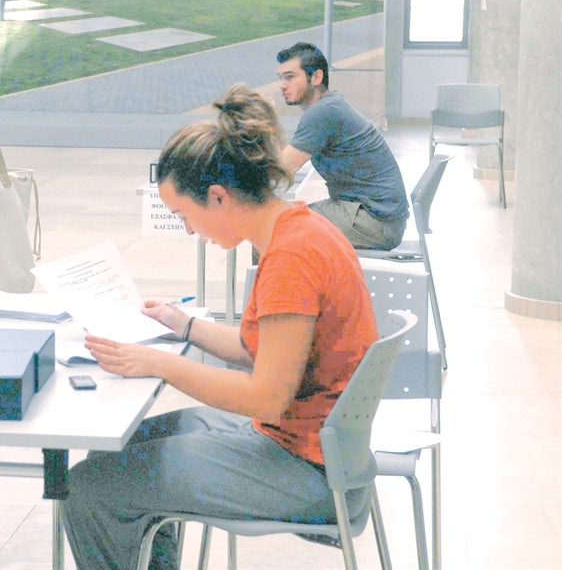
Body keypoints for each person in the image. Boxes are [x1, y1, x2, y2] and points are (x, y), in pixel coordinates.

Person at [62, 84, 380, 570]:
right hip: (310, 446)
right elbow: (264, 351)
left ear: (218, 196)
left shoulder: (292, 259)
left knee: (89, 487)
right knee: (125, 447)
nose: (190, 230)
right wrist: (183, 325)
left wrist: (160, 363)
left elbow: (266, 396)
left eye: (186, 216)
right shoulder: (299, 229)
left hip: (308, 468)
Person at [276, 41, 409, 250]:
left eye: (290, 77)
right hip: (376, 216)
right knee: (281, 220)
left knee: (273, 224)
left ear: (316, 77)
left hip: (375, 222)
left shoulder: (322, 112)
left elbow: (280, 170)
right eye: (281, 78)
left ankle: (267, 273)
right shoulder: (331, 105)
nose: (282, 85)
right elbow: (283, 160)